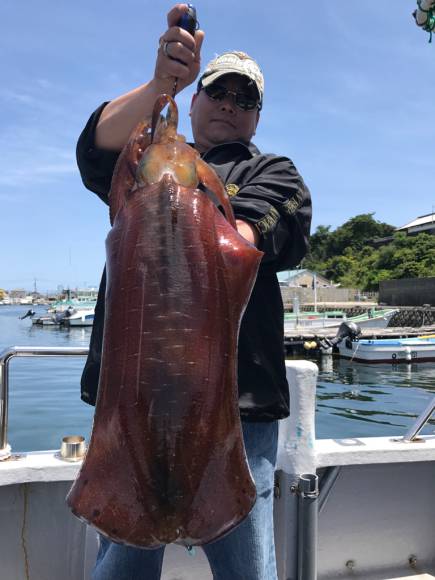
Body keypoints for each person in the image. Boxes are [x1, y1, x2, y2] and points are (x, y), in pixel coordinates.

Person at [76, 5, 311, 579]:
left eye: (245, 99)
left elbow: (256, 232)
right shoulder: (137, 162)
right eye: (219, 92)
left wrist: (182, 199)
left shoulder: (273, 172)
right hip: (130, 402)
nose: (230, 104)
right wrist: (161, 86)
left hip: (238, 405)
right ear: (199, 98)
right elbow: (95, 148)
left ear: (257, 117)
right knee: (124, 557)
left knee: (247, 561)